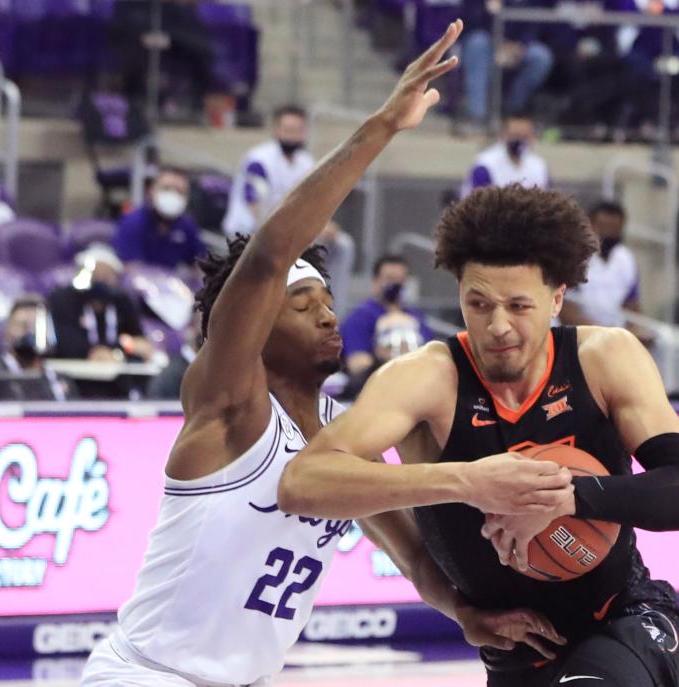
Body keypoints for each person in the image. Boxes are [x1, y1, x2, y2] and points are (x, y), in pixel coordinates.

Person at [82, 21, 570, 686]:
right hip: (148, 675)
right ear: (254, 325)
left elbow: (415, 558)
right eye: (302, 302)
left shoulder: (347, 437)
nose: (327, 310)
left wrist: (464, 611)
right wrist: (381, 128)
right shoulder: (228, 407)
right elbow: (265, 260)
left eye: (327, 297)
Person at [281, 182, 679, 687]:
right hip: (516, 648)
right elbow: (303, 484)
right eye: (479, 303)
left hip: (626, 617)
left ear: (557, 299)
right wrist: (467, 483)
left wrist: (562, 497)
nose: (498, 326)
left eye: (519, 306)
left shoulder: (605, 358)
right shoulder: (426, 378)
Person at [48, 244, 153, 364]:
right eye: (95, 276)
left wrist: (115, 353)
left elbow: (140, 344)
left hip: (118, 375)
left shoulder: (122, 301)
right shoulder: (63, 300)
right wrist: (119, 348)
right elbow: (68, 345)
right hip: (74, 373)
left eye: (106, 277)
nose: (100, 282)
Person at [459, 0, 555, 129]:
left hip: (518, 46)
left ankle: (512, 110)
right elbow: (468, 22)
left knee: (541, 57)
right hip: (489, 42)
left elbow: (536, 23)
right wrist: (488, 11)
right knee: (477, 43)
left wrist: (520, 46)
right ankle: (477, 116)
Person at [0, 295, 75, 402]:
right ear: (7, 333)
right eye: (23, 326)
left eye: (37, 327)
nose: (31, 333)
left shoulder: (60, 380)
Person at [222, 104, 314, 236]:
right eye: (289, 130)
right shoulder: (259, 159)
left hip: (287, 231)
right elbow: (255, 206)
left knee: (341, 243)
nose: (293, 136)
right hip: (246, 232)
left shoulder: (306, 161)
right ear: (276, 131)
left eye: (298, 130)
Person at [340, 254, 434, 378]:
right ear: (375, 281)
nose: (396, 284)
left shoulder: (416, 317)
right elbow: (357, 364)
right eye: (389, 278)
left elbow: (431, 357)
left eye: (401, 279)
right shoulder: (360, 317)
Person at [561, 200, 644, 331]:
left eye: (614, 229)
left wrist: (635, 331)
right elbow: (566, 309)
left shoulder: (626, 259)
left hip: (614, 333)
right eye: (603, 227)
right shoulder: (575, 257)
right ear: (590, 226)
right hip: (577, 332)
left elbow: (631, 306)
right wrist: (601, 333)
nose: (608, 234)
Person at [112, 167, 206, 270]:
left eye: (179, 192)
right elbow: (131, 269)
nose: (172, 195)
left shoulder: (187, 226)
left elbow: (200, 265)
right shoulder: (132, 222)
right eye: (166, 189)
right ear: (151, 191)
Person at [461, 114, 550, 196]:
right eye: (515, 135)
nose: (519, 140)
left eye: (525, 136)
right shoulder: (485, 164)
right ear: (503, 135)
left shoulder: (539, 165)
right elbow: (480, 204)